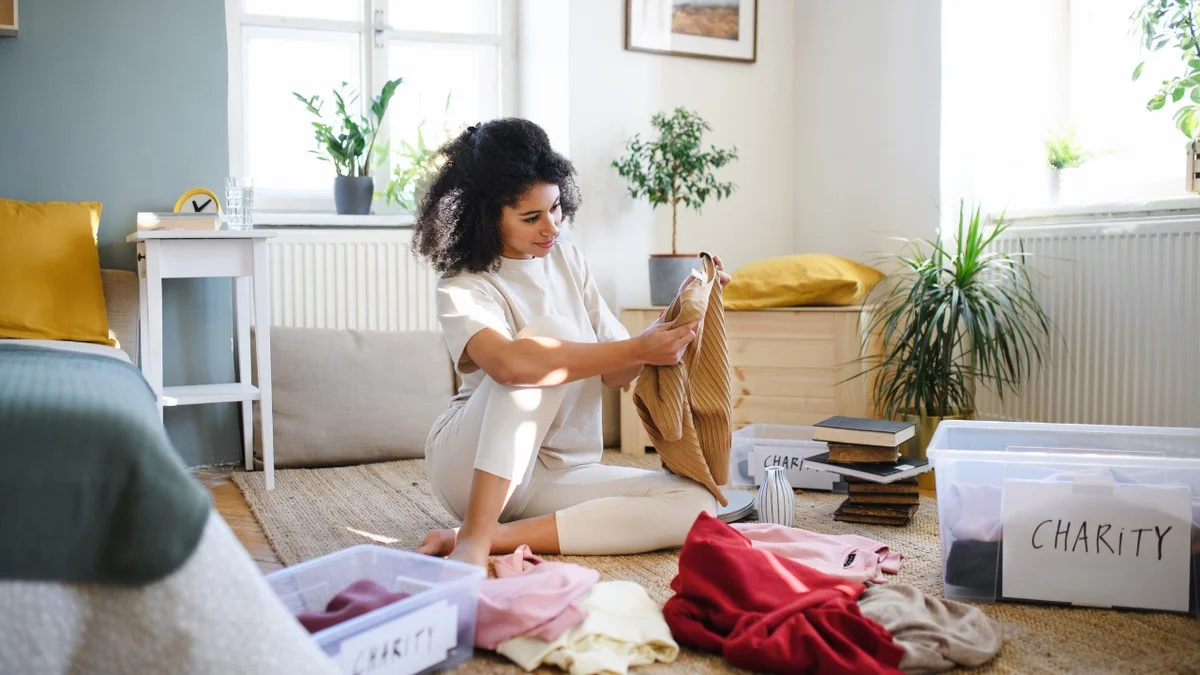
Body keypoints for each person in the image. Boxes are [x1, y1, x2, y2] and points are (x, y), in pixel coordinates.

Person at [410, 117, 731, 567]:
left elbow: (619, 371)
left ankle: (495, 537)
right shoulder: (462, 285)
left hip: (561, 471)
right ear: (486, 216)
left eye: (556, 208)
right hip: (471, 469)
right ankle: (475, 537)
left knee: (698, 505)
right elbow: (510, 366)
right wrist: (637, 348)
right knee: (548, 340)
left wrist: (678, 317)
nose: (552, 227)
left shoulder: (568, 259)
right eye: (531, 217)